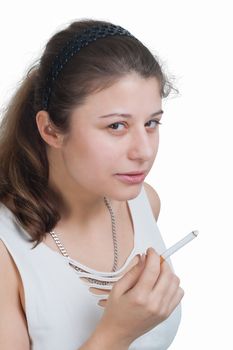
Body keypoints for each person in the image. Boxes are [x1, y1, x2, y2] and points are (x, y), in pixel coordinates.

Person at [0, 19, 184, 350]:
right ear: (51, 130)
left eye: (152, 123)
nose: (143, 151)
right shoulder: (5, 249)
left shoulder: (144, 204)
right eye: (116, 126)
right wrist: (115, 334)